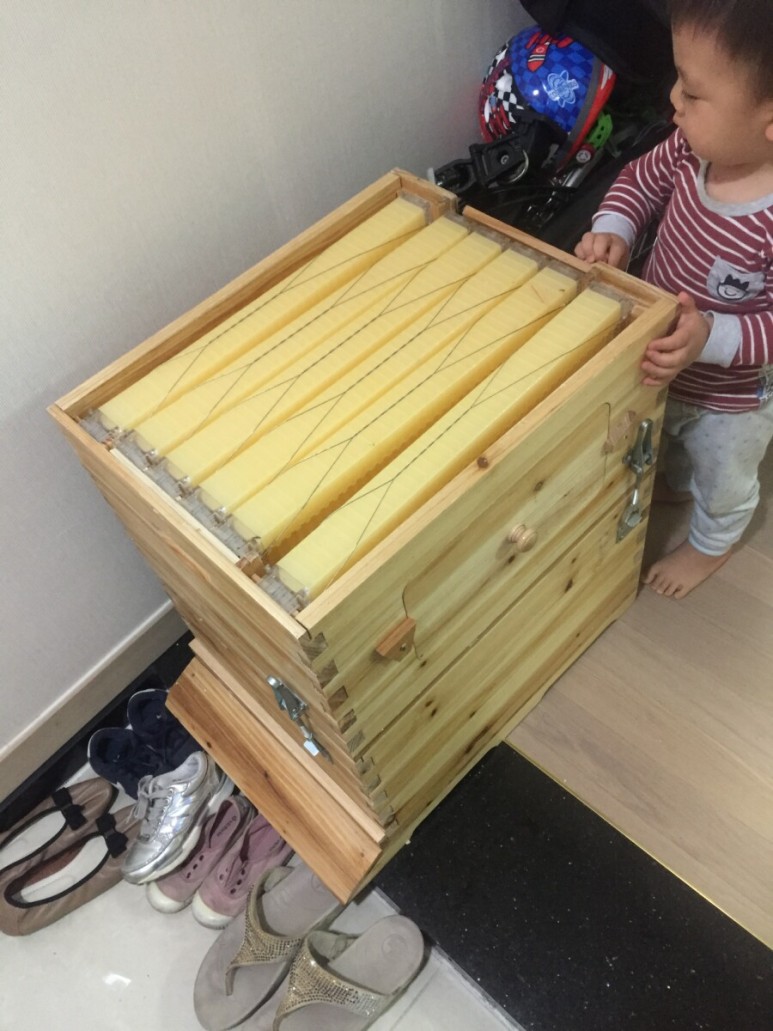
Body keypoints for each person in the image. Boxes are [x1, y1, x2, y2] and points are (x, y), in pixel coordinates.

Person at [575, 0, 773, 599]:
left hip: (730, 398)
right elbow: (639, 181)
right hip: (665, 356)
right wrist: (614, 228)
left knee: (722, 476)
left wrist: (709, 336)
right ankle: (677, 480)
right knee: (663, 434)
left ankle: (712, 544)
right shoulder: (692, 148)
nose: (672, 102)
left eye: (692, 91)